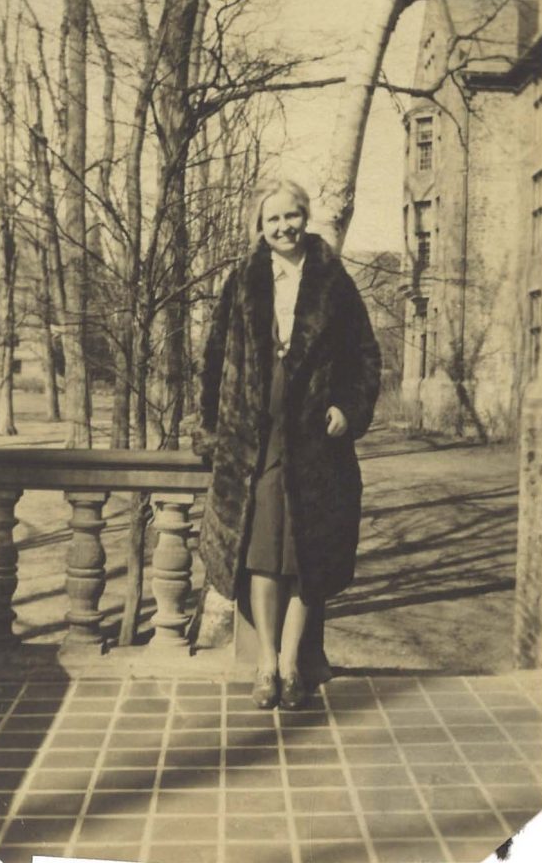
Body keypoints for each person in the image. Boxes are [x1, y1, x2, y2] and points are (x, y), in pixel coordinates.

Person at [194, 179, 381, 709]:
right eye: (272, 219)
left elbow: (365, 357)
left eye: (291, 216)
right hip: (253, 441)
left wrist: (350, 408)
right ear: (260, 225)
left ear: (306, 217)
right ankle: (265, 666)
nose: (283, 227)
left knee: (305, 554)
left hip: (314, 443)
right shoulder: (243, 281)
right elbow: (212, 362)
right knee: (260, 552)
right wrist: (210, 429)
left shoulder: (334, 283)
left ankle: (293, 665)